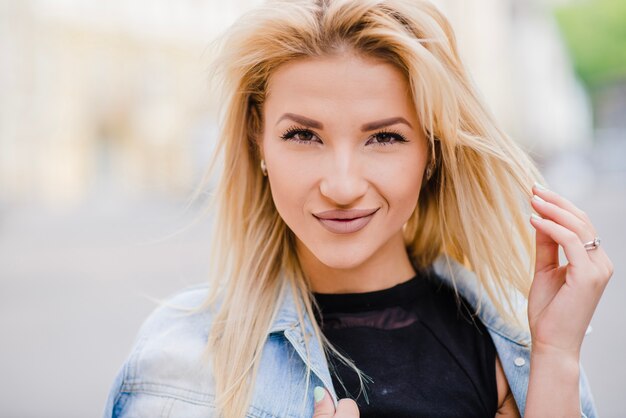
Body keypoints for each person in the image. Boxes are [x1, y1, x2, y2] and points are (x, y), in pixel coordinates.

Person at [103, 0, 613, 417]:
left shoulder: (519, 349)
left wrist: (556, 359)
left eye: (385, 137)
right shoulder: (179, 362)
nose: (342, 185)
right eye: (303, 135)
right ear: (259, 142)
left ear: (431, 152)